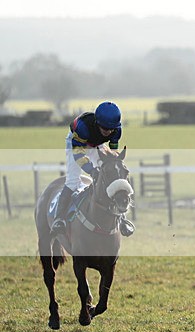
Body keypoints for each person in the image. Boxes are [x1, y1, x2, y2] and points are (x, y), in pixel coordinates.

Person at [50, 101, 135, 237]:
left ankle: (122, 219)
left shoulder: (116, 130)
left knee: (111, 178)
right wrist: (91, 170)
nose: (107, 132)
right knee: (72, 181)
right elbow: (78, 154)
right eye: (104, 129)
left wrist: (113, 164)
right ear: (97, 123)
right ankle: (59, 219)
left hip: (97, 145)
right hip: (77, 144)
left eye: (110, 129)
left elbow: (114, 154)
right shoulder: (83, 127)